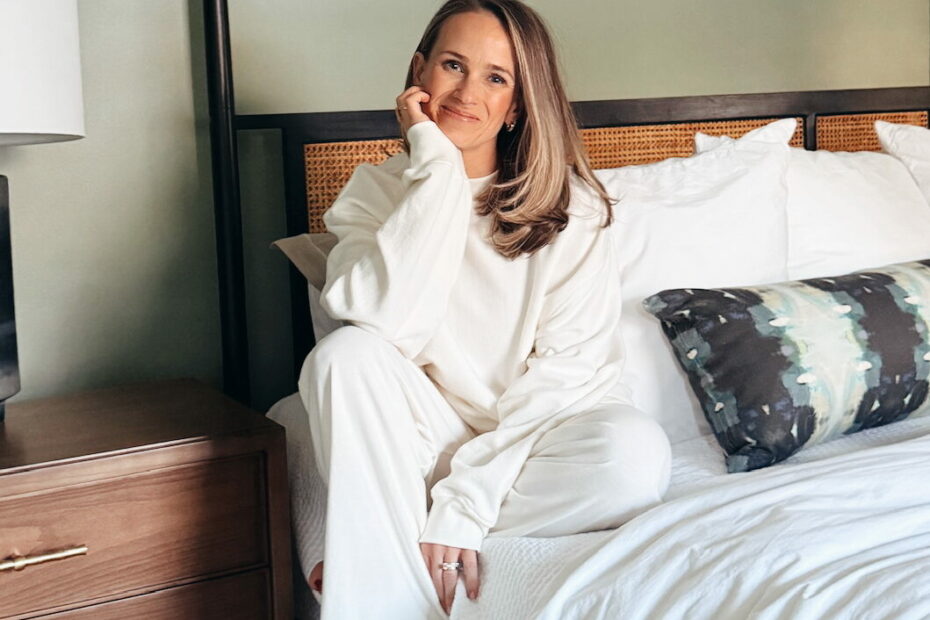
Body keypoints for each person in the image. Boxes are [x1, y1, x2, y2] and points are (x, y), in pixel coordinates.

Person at [296, 0, 672, 617]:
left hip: (540, 437)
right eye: (452, 64)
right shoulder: (372, 193)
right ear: (419, 71)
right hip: (425, 435)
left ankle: (385, 536)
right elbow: (387, 323)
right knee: (343, 356)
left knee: (634, 458)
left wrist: (462, 507)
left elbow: (565, 378)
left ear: (518, 105)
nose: (468, 91)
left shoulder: (570, 208)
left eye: (496, 78)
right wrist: (438, 170)